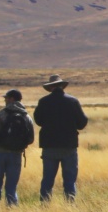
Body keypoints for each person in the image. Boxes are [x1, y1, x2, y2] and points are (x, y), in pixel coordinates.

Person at [34, 74, 88, 203]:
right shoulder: (73, 101)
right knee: (69, 181)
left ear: (51, 87)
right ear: (62, 86)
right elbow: (82, 122)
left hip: (49, 147)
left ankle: (45, 207)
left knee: (47, 180)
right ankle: (70, 206)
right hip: (69, 146)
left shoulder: (44, 102)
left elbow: (38, 120)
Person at [0, 88, 34, 205]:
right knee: (11, 187)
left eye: (6, 98)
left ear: (12, 99)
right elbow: (31, 139)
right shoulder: (26, 117)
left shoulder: (1, 114)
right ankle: (12, 211)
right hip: (16, 154)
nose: (5, 100)